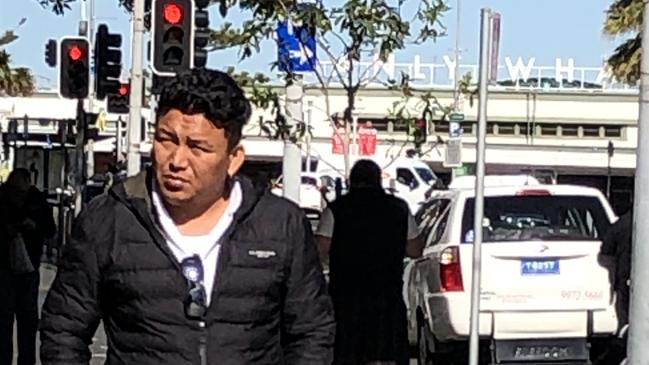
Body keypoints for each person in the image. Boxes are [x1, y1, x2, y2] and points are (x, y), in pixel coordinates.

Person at [40, 68, 335, 364]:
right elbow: (64, 330)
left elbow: (311, 333)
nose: (176, 161)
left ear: (233, 159)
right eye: (166, 140)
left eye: (197, 147)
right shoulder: (109, 219)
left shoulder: (280, 224)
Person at [315, 159, 425, 365]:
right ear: (378, 181)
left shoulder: (337, 210)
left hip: (346, 300)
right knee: (386, 356)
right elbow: (415, 250)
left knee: (347, 356)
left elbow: (318, 251)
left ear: (351, 181)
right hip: (387, 299)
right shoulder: (399, 209)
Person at [0, 168, 56, 365]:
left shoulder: (32, 200)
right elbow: (50, 229)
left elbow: (49, 228)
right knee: (23, 319)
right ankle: (24, 359)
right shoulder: (35, 200)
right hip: (17, 267)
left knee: (14, 319)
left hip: (20, 267)